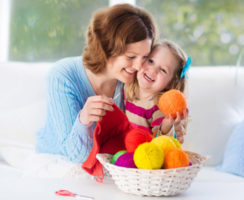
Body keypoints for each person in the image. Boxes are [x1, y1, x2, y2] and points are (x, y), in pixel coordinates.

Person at [35, 4, 157, 163]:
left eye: (145, 57)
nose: (139, 66)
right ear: (106, 49)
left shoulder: (132, 81)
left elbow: (144, 140)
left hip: (109, 166)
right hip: (59, 164)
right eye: (131, 57)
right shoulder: (63, 76)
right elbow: (77, 157)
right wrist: (84, 120)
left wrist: (168, 128)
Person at [124, 40, 190, 144]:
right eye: (151, 61)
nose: (153, 70)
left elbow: (161, 144)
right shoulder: (126, 86)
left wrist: (165, 127)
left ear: (170, 83)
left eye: (163, 70)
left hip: (144, 155)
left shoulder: (159, 108)